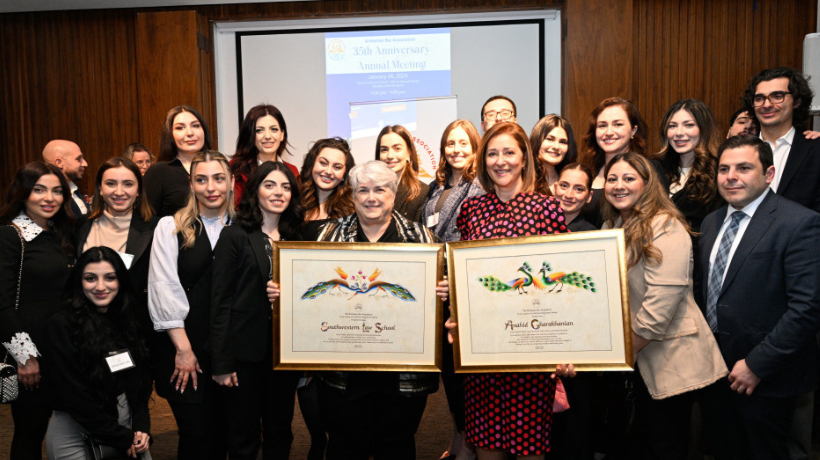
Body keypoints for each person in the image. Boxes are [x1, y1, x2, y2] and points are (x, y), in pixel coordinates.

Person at [696, 136, 820, 460]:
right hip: (714, 373)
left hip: (767, 378)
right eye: (724, 169)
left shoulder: (799, 223)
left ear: (768, 174)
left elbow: (807, 309)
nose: (730, 176)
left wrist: (756, 364)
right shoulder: (710, 223)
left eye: (743, 168)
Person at [452, 122, 569, 459]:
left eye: (508, 152)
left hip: (530, 350)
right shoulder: (472, 210)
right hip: (484, 350)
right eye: (492, 153)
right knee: (487, 446)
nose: (500, 161)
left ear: (523, 158)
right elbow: (467, 276)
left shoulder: (546, 209)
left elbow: (559, 281)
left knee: (529, 448)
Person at [307, 160, 438, 460]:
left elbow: (434, 300)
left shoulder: (421, 239)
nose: (371, 197)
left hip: (402, 377)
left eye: (380, 189)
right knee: (344, 447)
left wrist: (441, 292)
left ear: (393, 195)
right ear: (352, 195)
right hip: (345, 376)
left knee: (398, 446)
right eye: (363, 190)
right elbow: (314, 295)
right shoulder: (329, 235)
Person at [601, 152, 727, 459]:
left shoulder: (666, 225)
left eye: (629, 178)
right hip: (631, 362)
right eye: (612, 178)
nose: (619, 185)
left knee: (664, 447)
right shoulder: (610, 227)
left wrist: (617, 355)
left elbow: (660, 305)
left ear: (647, 185)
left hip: (668, 361)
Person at [211, 161, 303, 460]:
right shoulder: (234, 235)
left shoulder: (298, 239)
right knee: (242, 435)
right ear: (255, 191)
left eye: (286, 187)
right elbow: (220, 301)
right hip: (243, 356)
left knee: (280, 431)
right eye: (270, 185)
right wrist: (221, 363)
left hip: (284, 357)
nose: (279, 192)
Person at [148, 151, 233, 460]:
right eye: (201, 179)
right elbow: (163, 288)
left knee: (227, 436)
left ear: (231, 182)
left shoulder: (243, 226)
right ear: (191, 184)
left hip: (228, 350)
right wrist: (183, 351)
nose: (211, 187)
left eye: (219, 178)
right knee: (196, 437)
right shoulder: (170, 227)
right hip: (183, 346)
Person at [43, 246, 152, 460]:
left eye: (110, 277)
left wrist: (141, 427)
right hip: (76, 431)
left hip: (126, 426)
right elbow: (74, 394)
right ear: (79, 282)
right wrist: (121, 436)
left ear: (121, 281)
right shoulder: (62, 326)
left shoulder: (130, 320)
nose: (100, 286)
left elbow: (140, 381)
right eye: (90, 278)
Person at [0, 162, 75, 460]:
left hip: (63, 350)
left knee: (67, 428)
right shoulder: (10, 235)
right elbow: (2, 303)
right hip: (32, 355)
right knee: (30, 433)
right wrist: (25, 356)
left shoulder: (60, 233)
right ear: (23, 193)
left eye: (57, 191)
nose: (50, 198)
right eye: (39, 190)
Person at [421, 119, 484, 460]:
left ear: (475, 148)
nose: (456, 150)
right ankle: (460, 436)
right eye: (450, 143)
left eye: (464, 144)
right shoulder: (435, 186)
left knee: (464, 372)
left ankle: (470, 443)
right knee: (448, 370)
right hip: (437, 288)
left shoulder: (480, 186)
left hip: (462, 289)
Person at [75, 157, 158, 325]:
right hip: (87, 324)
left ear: (138, 190)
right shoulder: (83, 225)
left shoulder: (156, 228)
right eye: (111, 183)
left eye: (128, 184)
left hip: (136, 326)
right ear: (100, 188)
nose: (119, 192)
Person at [742, 67, 820, 214]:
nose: (766, 104)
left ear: (797, 101)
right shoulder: (738, 151)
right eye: (759, 98)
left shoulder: (815, 149)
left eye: (777, 96)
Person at [581, 97, 668, 228]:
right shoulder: (588, 171)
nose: (609, 132)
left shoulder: (650, 169)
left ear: (633, 130)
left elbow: (660, 217)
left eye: (618, 124)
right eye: (602, 125)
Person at [656, 99, 723, 236]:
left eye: (689, 125)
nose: (679, 132)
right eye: (672, 126)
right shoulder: (656, 169)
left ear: (704, 130)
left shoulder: (718, 173)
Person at [144, 105, 214, 217]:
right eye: (180, 128)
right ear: (170, 135)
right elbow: (146, 222)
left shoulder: (218, 168)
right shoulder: (158, 172)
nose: (190, 133)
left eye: (195, 126)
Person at [230, 104, 300, 206]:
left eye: (274, 129)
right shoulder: (235, 169)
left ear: (282, 134)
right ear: (250, 135)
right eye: (259, 130)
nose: (267, 136)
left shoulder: (292, 171)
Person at [299, 137, 355, 241]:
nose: (328, 171)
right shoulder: (295, 204)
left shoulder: (352, 214)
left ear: (345, 175)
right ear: (312, 165)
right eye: (323, 163)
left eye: (337, 167)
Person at [374, 125, 429, 222]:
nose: (390, 155)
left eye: (397, 149)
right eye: (384, 150)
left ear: (409, 153)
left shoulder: (422, 192)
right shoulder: (369, 191)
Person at [530, 114, 579, 195]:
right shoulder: (523, 180)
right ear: (537, 140)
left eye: (562, 142)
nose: (556, 147)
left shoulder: (574, 179)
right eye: (550, 139)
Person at [42, 139, 89, 217]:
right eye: (78, 159)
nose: (85, 164)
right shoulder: (49, 198)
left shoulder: (72, 188)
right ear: (59, 163)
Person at [553, 163, 596, 232]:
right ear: (555, 188)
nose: (569, 195)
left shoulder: (590, 234)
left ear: (589, 196)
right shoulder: (538, 223)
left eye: (578, 189)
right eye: (564, 186)